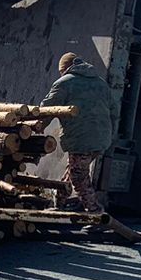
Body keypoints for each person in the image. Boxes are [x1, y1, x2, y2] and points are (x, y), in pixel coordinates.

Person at [41, 51, 116, 213]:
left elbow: (47, 109)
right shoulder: (101, 83)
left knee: (78, 176)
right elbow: (114, 111)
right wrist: (110, 134)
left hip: (82, 139)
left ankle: (95, 211)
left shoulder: (64, 83)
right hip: (101, 139)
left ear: (65, 68)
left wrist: (36, 127)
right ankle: (58, 205)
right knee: (73, 170)